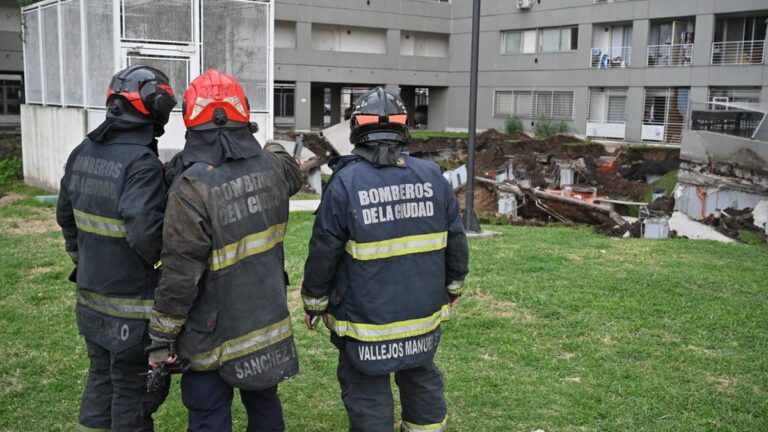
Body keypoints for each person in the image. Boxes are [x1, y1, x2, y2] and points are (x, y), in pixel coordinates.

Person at [301, 87, 469, 432]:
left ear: (356, 128)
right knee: (420, 373)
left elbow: (324, 251)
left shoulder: (345, 182)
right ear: (403, 128)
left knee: (366, 386)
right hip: (422, 315)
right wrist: (454, 287)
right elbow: (456, 240)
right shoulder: (433, 177)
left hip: (365, 319)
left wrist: (314, 302)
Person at [146, 68, 302, 432]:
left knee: (208, 414)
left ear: (190, 117)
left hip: (209, 335)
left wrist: (161, 338)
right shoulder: (274, 167)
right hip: (265, 322)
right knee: (265, 407)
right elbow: (285, 162)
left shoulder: (190, 187)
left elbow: (179, 275)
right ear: (243, 112)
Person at [56, 64, 177, 431]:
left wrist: (84, 259)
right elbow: (145, 232)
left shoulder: (82, 151)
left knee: (100, 375)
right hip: (131, 308)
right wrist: (167, 268)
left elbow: (65, 216)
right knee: (131, 389)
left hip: (89, 299)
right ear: (155, 107)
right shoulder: (140, 163)